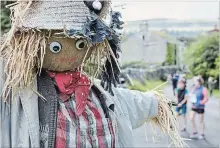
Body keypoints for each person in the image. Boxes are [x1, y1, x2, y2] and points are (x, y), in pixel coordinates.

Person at [0, 1, 184, 147]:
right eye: (56, 47)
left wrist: (156, 103)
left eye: (81, 44)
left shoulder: (99, 94)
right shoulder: (19, 91)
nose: (70, 54)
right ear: (30, 43)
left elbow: (129, 102)